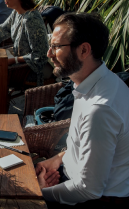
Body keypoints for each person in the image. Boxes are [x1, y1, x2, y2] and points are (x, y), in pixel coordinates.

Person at [35, 13, 129, 208]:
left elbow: (89, 189)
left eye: (56, 46)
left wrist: (38, 193)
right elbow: (84, 148)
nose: (49, 54)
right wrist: (58, 158)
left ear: (84, 50)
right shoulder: (97, 82)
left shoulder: (100, 109)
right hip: (72, 180)